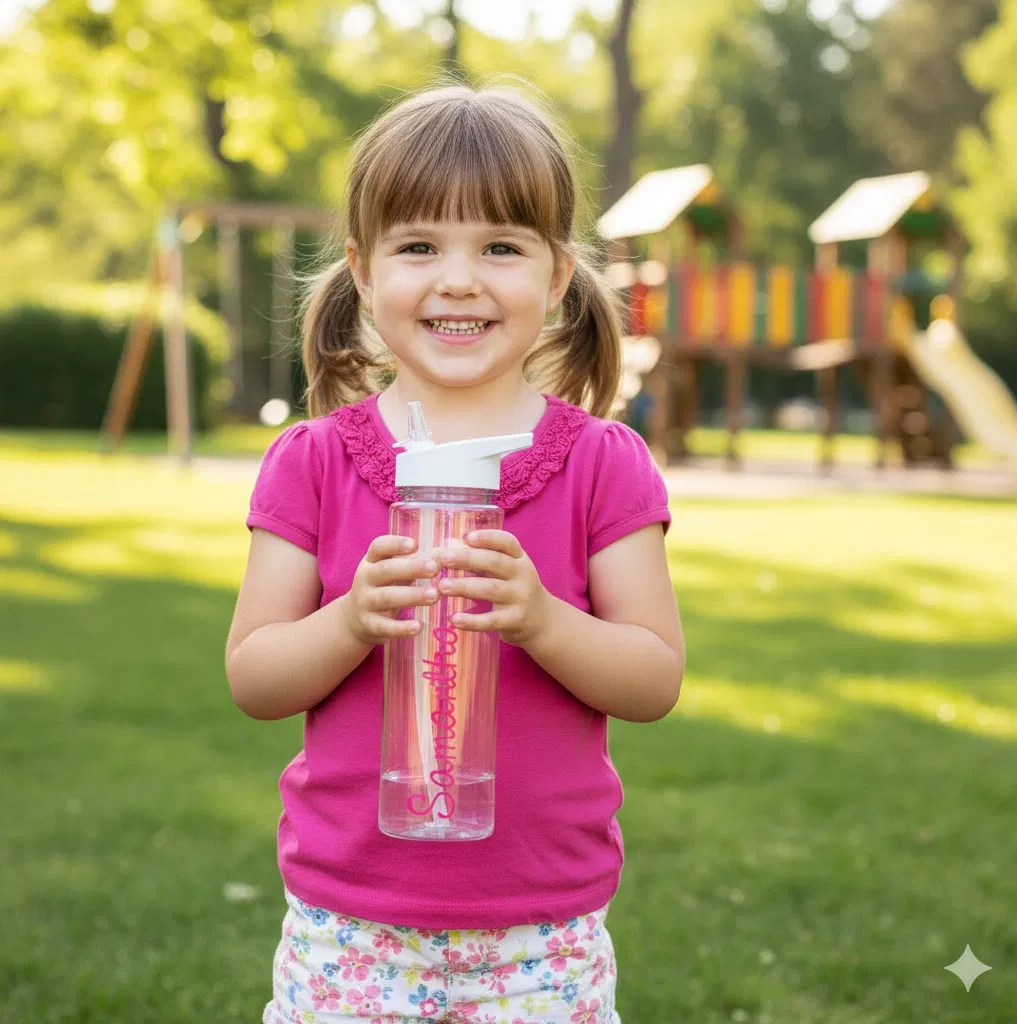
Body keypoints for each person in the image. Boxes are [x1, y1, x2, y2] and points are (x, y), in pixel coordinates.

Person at [225, 83, 685, 1024]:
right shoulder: (312, 463)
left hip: (540, 934)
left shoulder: (602, 465)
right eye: (420, 245)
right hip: (351, 924)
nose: (460, 279)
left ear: (559, 275)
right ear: (362, 269)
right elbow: (255, 677)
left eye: (502, 247)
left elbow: (654, 679)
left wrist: (546, 621)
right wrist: (350, 620)